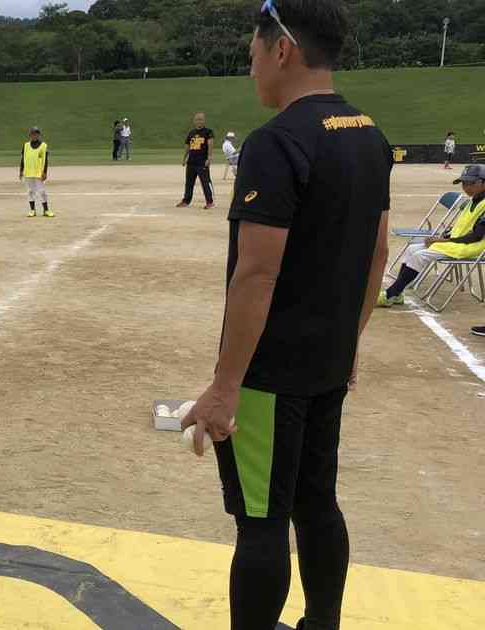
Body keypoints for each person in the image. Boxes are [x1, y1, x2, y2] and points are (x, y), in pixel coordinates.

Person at [179, 1, 392, 629]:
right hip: (328, 360)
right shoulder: (369, 133)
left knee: (262, 520)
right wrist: (350, 342)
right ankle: (321, 623)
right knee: (317, 503)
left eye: (252, 57)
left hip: (273, 372)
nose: (251, 72)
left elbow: (258, 273)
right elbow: (377, 252)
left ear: (282, 50)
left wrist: (224, 387)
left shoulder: (277, 143)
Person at [377, 164, 485, 307]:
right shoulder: (473, 200)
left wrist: (443, 241)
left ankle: (391, 294)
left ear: (482, 182)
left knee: (419, 256)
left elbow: (476, 237)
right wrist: (443, 238)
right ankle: (397, 294)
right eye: (463, 183)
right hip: (456, 243)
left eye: (470, 183)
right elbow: (461, 228)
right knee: (411, 249)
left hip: (472, 247)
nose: (465, 187)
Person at [177, 113, 215, 209]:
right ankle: (186, 201)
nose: (199, 121)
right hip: (191, 162)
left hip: (202, 162)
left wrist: (209, 157)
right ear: (194, 121)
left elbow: (210, 144)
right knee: (189, 183)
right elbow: (187, 146)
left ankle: (209, 202)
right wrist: (185, 158)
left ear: (204, 121)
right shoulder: (191, 133)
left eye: (201, 119)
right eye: (197, 120)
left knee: (205, 182)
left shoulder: (208, 132)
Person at [20, 126, 53, 218]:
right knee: (30, 191)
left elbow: (45, 160)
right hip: (28, 172)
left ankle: (46, 210)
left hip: (39, 173)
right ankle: (32, 210)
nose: (34, 135)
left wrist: (45, 172)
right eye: (33, 134)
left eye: (36, 134)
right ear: (30, 135)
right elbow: (23, 159)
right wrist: (21, 170)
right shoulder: (26, 145)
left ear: (39, 135)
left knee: (42, 191)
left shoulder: (43, 146)